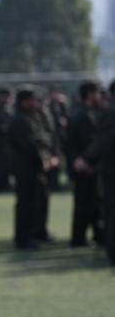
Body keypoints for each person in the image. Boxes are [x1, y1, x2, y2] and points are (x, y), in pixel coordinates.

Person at [8, 87, 55, 250]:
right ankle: (23, 238)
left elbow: (43, 138)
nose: (36, 103)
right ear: (24, 101)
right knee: (26, 203)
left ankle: (36, 232)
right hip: (26, 168)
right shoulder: (20, 120)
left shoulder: (32, 117)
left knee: (38, 201)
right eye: (33, 100)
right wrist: (43, 160)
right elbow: (28, 145)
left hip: (34, 167)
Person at [66, 81, 104, 248]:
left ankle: (97, 235)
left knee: (94, 203)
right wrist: (86, 162)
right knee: (84, 203)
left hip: (88, 165)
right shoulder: (82, 115)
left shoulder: (85, 112)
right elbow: (79, 143)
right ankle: (79, 238)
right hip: (84, 166)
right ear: (90, 94)